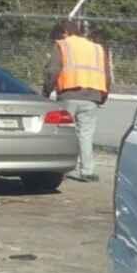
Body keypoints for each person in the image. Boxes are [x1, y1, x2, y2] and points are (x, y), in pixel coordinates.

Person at [44, 19, 112, 183]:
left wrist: (46, 92)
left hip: (69, 94)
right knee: (86, 135)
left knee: (62, 133)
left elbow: (53, 70)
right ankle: (87, 171)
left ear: (64, 32)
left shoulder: (63, 45)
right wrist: (103, 95)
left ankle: (61, 169)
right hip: (93, 96)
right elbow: (106, 73)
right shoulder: (96, 48)